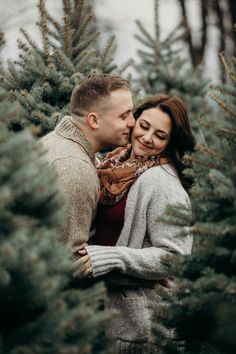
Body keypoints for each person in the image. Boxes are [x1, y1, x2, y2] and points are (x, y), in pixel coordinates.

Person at [74, 94, 195, 353]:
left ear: (170, 142)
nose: (147, 137)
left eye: (160, 135)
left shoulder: (163, 184)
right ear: (135, 121)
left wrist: (111, 257)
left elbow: (176, 257)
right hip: (100, 309)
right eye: (144, 126)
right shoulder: (115, 162)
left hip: (136, 323)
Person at [40, 74, 135, 249]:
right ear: (94, 120)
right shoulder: (74, 168)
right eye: (124, 116)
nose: (132, 122)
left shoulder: (58, 142)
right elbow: (68, 259)